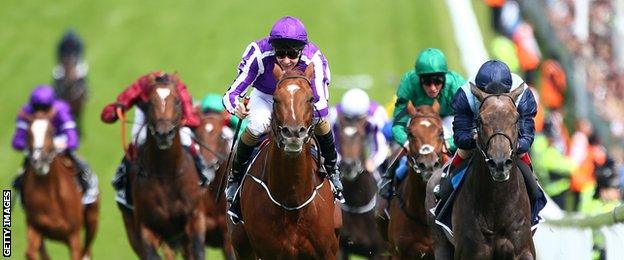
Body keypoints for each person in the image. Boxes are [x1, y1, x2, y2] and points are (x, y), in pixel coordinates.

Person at [222, 16, 342, 218]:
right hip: (266, 97)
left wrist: (300, 118)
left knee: (321, 122)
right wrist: (237, 109)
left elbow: (321, 104)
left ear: (302, 50)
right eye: (280, 53)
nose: (286, 60)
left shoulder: (315, 59)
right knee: (258, 125)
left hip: (300, 98)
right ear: (272, 48)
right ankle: (236, 178)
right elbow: (231, 94)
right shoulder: (258, 53)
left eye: (292, 54)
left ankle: (332, 168)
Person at [437, 60, 545, 226]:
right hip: (478, 133)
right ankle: (444, 196)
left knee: (523, 157)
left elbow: (527, 133)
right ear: (479, 91)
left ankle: (535, 201)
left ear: (510, 91)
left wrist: (516, 145)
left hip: (509, 136)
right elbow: (460, 134)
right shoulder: (466, 94)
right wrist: (475, 139)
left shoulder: (523, 94)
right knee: (462, 152)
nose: (496, 100)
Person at [376, 48, 466, 218]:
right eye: (427, 82)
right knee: (401, 151)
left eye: (438, 82)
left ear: (445, 78)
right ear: (419, 79)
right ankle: (387, 182)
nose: (432, 88)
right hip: (417, 119)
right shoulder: (408, 82)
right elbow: (398, 124)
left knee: (466, 152)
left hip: (447, 119)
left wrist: (450, 143)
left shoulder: (457, 85)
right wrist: (408, 143)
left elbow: (469, 125)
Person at [100, 72, 213, 206]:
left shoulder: (178, 86)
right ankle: (123, 175)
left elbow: (190, 115)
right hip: (149, 115)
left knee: (187, 140)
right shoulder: (143, 84)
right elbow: (123, 101)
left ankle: (202, 170)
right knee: (139, 141)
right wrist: (116, 109)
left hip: (172, 118)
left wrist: (183, 122)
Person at [12, 85, 98, 204]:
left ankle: (89, 188)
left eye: (44, 108)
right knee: (15, 183)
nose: (40, 113)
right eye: (37, 108)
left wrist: (59, 144)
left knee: (82, 165)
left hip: (59, 146)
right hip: (35, 150)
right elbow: (17, 141)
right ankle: (7, 216)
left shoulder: (61, 109)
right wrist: (32, 143)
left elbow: (73, 139)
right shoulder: (26, 112)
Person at [329, 88, 389, 176]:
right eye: (348, 119)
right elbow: (332, 145)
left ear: (365, 115)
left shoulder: (377, 115)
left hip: (370, 138)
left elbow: (381, 146)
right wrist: (340, 161)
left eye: (358, 120)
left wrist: (373, 162)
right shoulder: (334, 114)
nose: (354, 124)